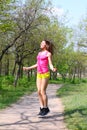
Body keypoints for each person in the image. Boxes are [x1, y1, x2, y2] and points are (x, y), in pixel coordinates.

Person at [23, 40, 57, 116]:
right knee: (38, 91)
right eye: (41, 42)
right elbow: (37, 64)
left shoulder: (48, 54)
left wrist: (53, 69)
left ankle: (46, 108)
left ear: (46, 45)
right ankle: (41, 108)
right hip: (39, 73)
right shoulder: (39, 53)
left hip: (45, 73)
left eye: (42, 43)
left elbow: (50, 64)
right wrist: (28, 68)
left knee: (42, 91)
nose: (41, 44)